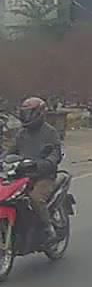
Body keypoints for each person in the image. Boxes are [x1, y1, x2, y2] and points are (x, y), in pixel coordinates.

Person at [2, 97, 62, 244]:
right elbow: (11, 151)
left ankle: (48, 229)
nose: (26, 117)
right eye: (24, 113)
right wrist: (2, 160)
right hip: (21, 175)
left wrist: (44, 164)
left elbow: (56, 153)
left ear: (39, 113)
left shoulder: (50, 132)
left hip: (43, 176)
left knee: (36, 199)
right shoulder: (22, 133)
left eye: (29, 113)